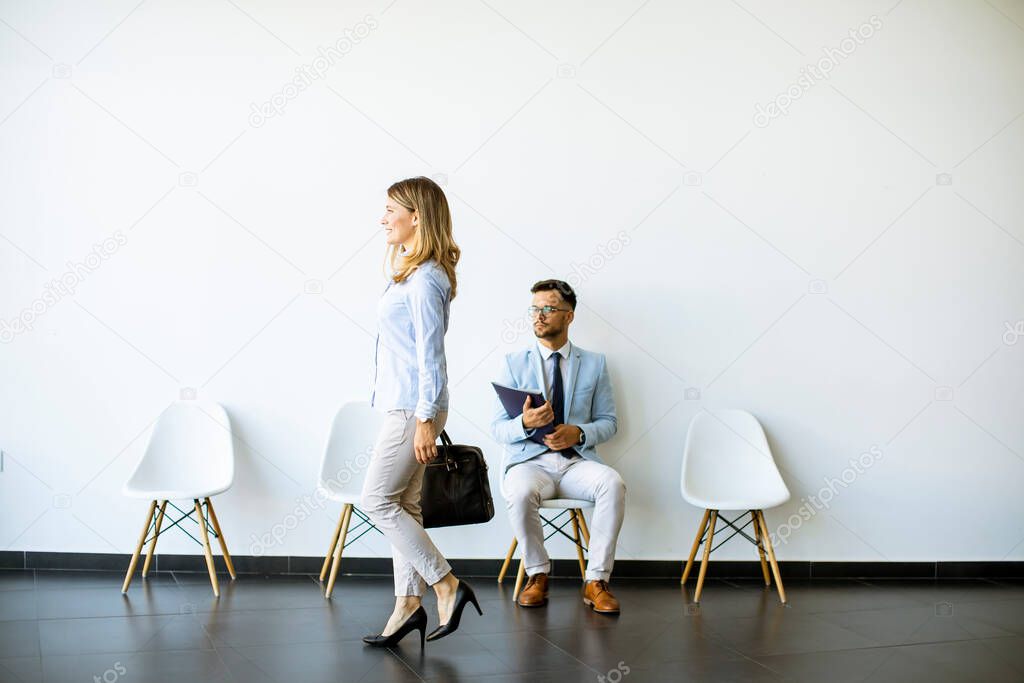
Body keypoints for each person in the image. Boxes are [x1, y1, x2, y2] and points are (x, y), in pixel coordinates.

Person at [360, 176, 481, 648]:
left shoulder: (427, 277)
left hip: (416, 406)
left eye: (392, 209)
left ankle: (445, 583)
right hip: (406, 403)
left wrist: (427, 418)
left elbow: (432, 355)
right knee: (404, 504)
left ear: (417, 215)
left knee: (377, 500)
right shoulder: (413, 274)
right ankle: (408, 605)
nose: (383, 218)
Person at [491, 279, 626, 614]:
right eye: (535, 309)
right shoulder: (513, 363)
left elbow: (610, 422)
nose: (539, 316)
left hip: (576, 462)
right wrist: (526, 424)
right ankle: (537, 574)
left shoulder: (595, 364)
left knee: (613, 483)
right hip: (530, 463)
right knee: (519, 491)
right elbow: (497, 429)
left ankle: (596, 580)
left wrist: (578, 433)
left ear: (569, 316)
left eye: (548, 309)